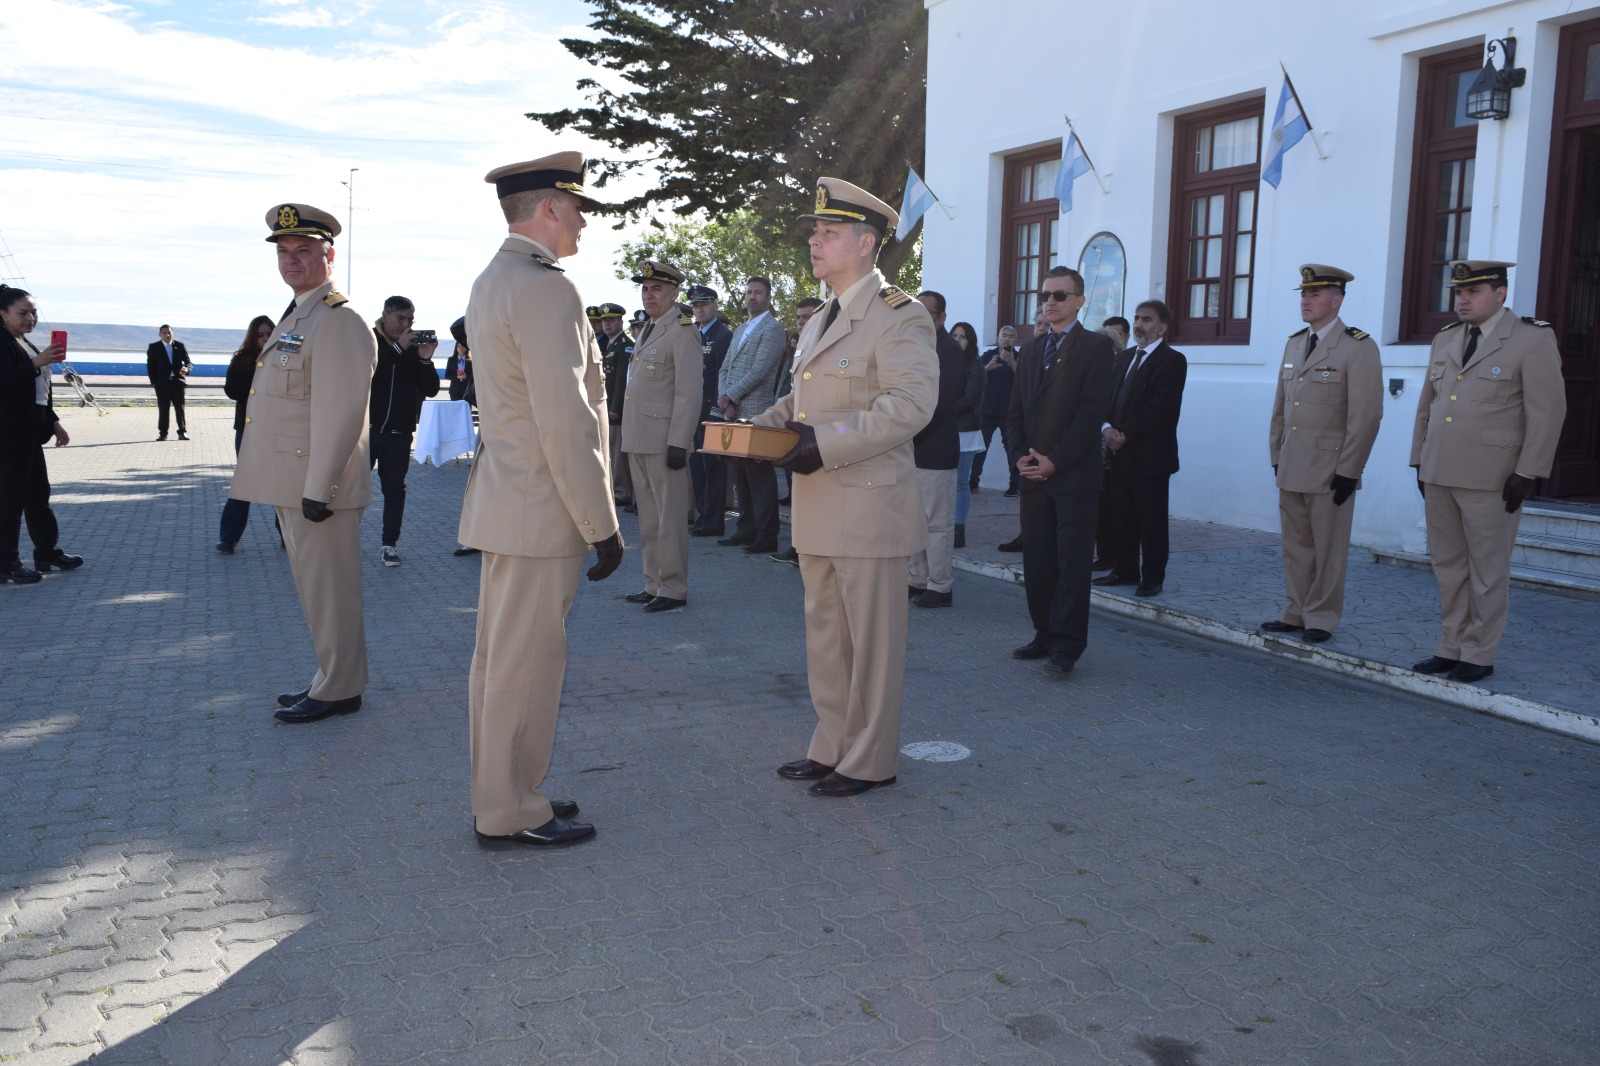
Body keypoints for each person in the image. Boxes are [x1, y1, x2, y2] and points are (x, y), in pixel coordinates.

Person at [751, 176, 937, 797]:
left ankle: (871, 759)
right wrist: (756, 430)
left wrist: (822, 443)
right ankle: (832, 744)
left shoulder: (898, 316)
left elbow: (911, 405)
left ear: (865, 244)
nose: (814, 242)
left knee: (873, 647)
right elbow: (803, 398)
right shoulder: (822, 316)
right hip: (819, 504)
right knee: (826, 637)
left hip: (867, 504)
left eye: (827, 233)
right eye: (814, 232)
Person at [460, 151, 623, 849]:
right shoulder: (548, 291)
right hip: (541, 508)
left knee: (501, 664)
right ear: (551, 208)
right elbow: (567, 420)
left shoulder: (493, 279)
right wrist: (603, 525)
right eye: (578, 206)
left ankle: (507, 790)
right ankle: (509, 809)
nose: (583, 220)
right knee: (526, 667)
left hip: (508, 502)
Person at [230, 203, 377, 724]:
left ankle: (339, 687)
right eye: (285, 252)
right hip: (294, 482)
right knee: (317, 589)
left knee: (330, 589)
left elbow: (341, 412)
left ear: (328, 255)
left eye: (304, 251)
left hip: (318, 487)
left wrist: (320, 487)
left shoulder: (338, 320)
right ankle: (332, 678)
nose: (292, 261)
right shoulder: (300, 312)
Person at [1410, 260, 1566, 683]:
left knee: (1487, 569)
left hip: (1494, 476)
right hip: (1440, 469)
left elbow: (1548, 410)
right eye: (1459, 292)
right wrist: (1419, 461)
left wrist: (1528, 471)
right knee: (1448, 565)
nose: (1462, 299)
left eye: (1472, 291)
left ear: (1500, 293)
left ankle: (1479, 653)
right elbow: (1429, 404)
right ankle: (1451, 645)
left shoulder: (1531, 339)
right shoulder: (1446, 338)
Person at [1263, 265, 1383, 645]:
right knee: (1296, 546)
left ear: (1337, 300)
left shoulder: (1358, 347)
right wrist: (1276, 453)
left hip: (1331, 467)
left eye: (1315, 295)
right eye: (1303, 294)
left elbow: (1365, 415)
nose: (1306, 300)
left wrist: (1350, 469)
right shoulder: (1295, 343)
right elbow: (1281, 405)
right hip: (1293, 464)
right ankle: (1296, 610)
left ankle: (1322, 617)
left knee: (1328, 549)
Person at [1007, 265, 1117, 675]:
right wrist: (1019, 456)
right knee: (1038, 559)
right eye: (1045, 295)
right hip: (1033, 474)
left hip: (1073, 476)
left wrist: (1056, 461)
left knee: (1071, 562)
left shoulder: (1096, 348)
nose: (1050, 302)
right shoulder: (1031, 349)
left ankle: (1067, 646)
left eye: (1059, 295)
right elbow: (1015, 412)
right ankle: (1044, 633)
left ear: (1079, 301)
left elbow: (1090, 414)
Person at [1092, 300, 1187, 597]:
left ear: (1162, 327)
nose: (1138, 324)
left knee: (1151, 519)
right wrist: (1106, 428)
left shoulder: (1172, 360)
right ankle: (1125, 569)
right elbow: (1108, 397)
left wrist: (1125, 433)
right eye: (1136, 318)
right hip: (1119, 452)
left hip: (1150, 456)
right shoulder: (1126, 357)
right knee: (1122, 515)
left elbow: (1160, 408)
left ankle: (1153, 576)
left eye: (1146, 319)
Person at [621, 260, 700, 613]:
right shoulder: (650, 329)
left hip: (664, 441)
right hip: (639, 438)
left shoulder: (682, 330)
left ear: (673, 293)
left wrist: (678, 442)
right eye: (645, 288)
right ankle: (654, 581)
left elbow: (688, 392)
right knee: (650, 519)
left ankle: (673, 588)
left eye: (656, 289)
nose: (648, 294)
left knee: (669, 520)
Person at [1, 284, 82, 584]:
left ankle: (47, 552)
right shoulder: (3, 342)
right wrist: (36, 363)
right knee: (9, 500)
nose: (30, 319)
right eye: (22, 313)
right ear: (2, 314)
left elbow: (39, 392)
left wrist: (54, 421)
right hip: (9, 433)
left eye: (33, 313)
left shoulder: (24, 342)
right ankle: (7, 562)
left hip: (30, 432)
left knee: (38, 496)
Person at [714, 276, 788, 551]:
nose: (752, 297)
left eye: (758, 292)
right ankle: (745, 529)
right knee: (741, 476)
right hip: (732, 411)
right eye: (749, 292)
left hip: (756, 411)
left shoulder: (774, 329)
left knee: (759, 477)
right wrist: (725, 400)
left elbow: (760, 371)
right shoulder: (741, 328)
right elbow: (725, 369)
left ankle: (767, 535)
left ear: (768, 297)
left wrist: (730, 396)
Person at [367, 296, 441, 567]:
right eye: (401, 318)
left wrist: (424, 360)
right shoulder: (369, 339)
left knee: (395, 490)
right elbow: (374, 373)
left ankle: (389, 545)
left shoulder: (412, 347)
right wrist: (399, 348)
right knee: (353, 489)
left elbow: (431, 389)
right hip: (367, 431)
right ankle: (342, 539)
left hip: (399, 434)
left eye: (411, 320)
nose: (406, 324)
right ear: (385, 315)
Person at [908, 291, 964, 608]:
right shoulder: (913, 346)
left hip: (935, 447)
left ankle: (940, 586)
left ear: (941, 317)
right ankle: (917, 579)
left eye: (927, 312)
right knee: (913, 520)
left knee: (937, 523)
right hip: (911, 447)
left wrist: (904, 432)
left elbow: (940, 404)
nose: (919, 316)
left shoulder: (949, 349)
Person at [769, 296, 824, 566]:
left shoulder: (826, 345)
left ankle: (808, 547)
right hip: (795, 432)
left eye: (808, 316)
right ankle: (800, 546)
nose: (802, 321)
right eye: (800, 317)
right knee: (799, 496)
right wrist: (761, 422)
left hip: (823, 441)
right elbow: (793, 395)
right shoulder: (801, 345)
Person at [217, 314, 278, 554]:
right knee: (244, 483)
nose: (265, 339)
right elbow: (232, 391)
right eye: (260, 335)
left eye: (269, 334)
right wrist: (257, 366)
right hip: (248, 429)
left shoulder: (285, 357)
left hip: (277, 429)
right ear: (253, 338)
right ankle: (228, 537)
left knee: (281, 482)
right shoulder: (242, 360)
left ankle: (289, 535)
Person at [686, 284, 732, 537]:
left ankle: (714, 521)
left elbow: (722, 375)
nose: (699, 309)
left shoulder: (723, 335)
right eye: (695, 305)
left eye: (703, 304)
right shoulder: (694, 333)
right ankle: (703, 516)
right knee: (697, 467)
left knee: (712, 468)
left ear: (715, 305)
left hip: (711, 410)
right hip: (693, 409)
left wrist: (717, 408)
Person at [970, 325, 1019, 496]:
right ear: (998, 338)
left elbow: (1026, 380)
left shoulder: (1020, 357)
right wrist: (986, 369)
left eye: (1011, 336)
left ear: (1016, 340)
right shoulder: (988, 356)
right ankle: (973, 481)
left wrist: (1013, 362)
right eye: (1004, 335)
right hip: (987, 411)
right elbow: (974, 378)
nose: (1007, 339)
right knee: (980, 449)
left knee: (1012, 450)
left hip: (1010, 412)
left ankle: (1015, 485)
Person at [949, 320, 985, 550]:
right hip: (942, 429)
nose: (957, 340)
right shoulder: (943, 361)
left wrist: (941, 412)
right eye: (954, 335)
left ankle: (958, 529)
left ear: (970, 341)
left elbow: (970, 398)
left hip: (964, 430)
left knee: (961, 483)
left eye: (962, 337)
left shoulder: (975, 365)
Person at [146, 323, 191, 441]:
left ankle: (182, 432)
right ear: (160, 334)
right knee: (164, 409)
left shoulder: (179, 346)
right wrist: (154, 383)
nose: (167, 335)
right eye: (164, 333)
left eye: (169, 332)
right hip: (162, 384)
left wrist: (187, 368)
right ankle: (163, 433)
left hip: (178, 383)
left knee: (180, 408)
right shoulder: (154, 347)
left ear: (173, 333)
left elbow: (188, 362)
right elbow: (150, 366)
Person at [446, 316, 474, 405]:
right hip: (454, 390)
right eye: (458, 346)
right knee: (455, 411)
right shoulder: (451, 360)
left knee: (466, 411)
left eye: (462, 346)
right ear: (456, 348)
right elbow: (447, 375)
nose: (461, 348)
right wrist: (457, 378)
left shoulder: (470, 361)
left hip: (466, 390)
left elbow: (473, 377)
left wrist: (466, 376)